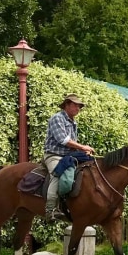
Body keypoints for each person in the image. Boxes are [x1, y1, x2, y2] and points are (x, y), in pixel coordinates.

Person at [43, 93, 96, 221]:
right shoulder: (57, 118)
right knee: (58, 173)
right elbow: (63, 139)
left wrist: (83, 153)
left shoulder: (73, 122)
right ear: (67, 105)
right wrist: (83, 147)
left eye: (80, 106)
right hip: (54, 155)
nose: (78, 108)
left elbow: (72, 143)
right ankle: (50, 210)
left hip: (68, 155)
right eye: (76, 105)